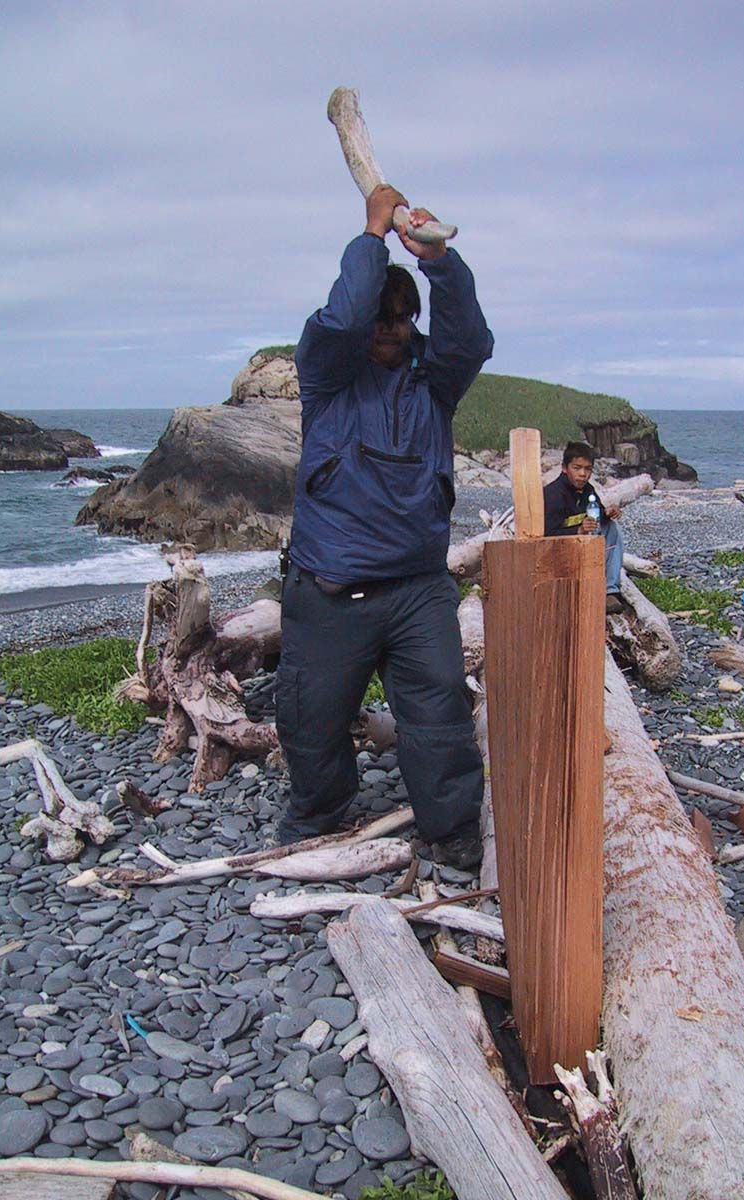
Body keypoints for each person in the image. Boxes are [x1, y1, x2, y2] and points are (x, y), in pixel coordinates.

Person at [274, 184, 494, 869]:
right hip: (329, 585)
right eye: (379, 313)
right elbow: (340, 325)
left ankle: (453, 833)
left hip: (418, 588)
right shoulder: (327, 373)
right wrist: (371, 238)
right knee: (311, 720)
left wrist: (438, 261)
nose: (388, 327)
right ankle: (320, 812)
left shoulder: (435, 381)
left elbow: (471, 337)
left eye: (401, 316)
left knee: (440, 721)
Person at [543, 441, 625, 612]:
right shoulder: (553, 495)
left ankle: (610, 590)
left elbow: (598, 515)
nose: (582, 474)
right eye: (577, 468)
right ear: (565, 468)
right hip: (556, 554)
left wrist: (608, 514)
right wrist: (578, 530)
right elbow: (546, 534)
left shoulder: (588, 490)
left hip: (582, 549)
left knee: (613, 528)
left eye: (587, 469)